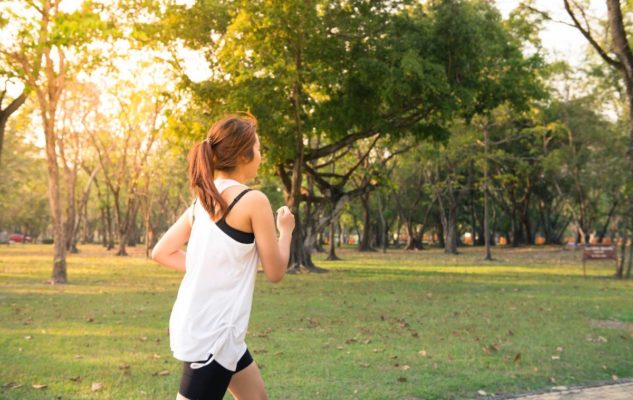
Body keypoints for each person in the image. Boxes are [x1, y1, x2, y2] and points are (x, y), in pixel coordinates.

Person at [151, 113, 295, 400]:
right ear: (244, 155)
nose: (261, 156)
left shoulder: (203, 200)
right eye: (259, 149)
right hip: (213, 336)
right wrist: (286, 230)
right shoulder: (253, 200)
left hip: (219, 331)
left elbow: (161, 252)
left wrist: (210, 268)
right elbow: (276, 271)